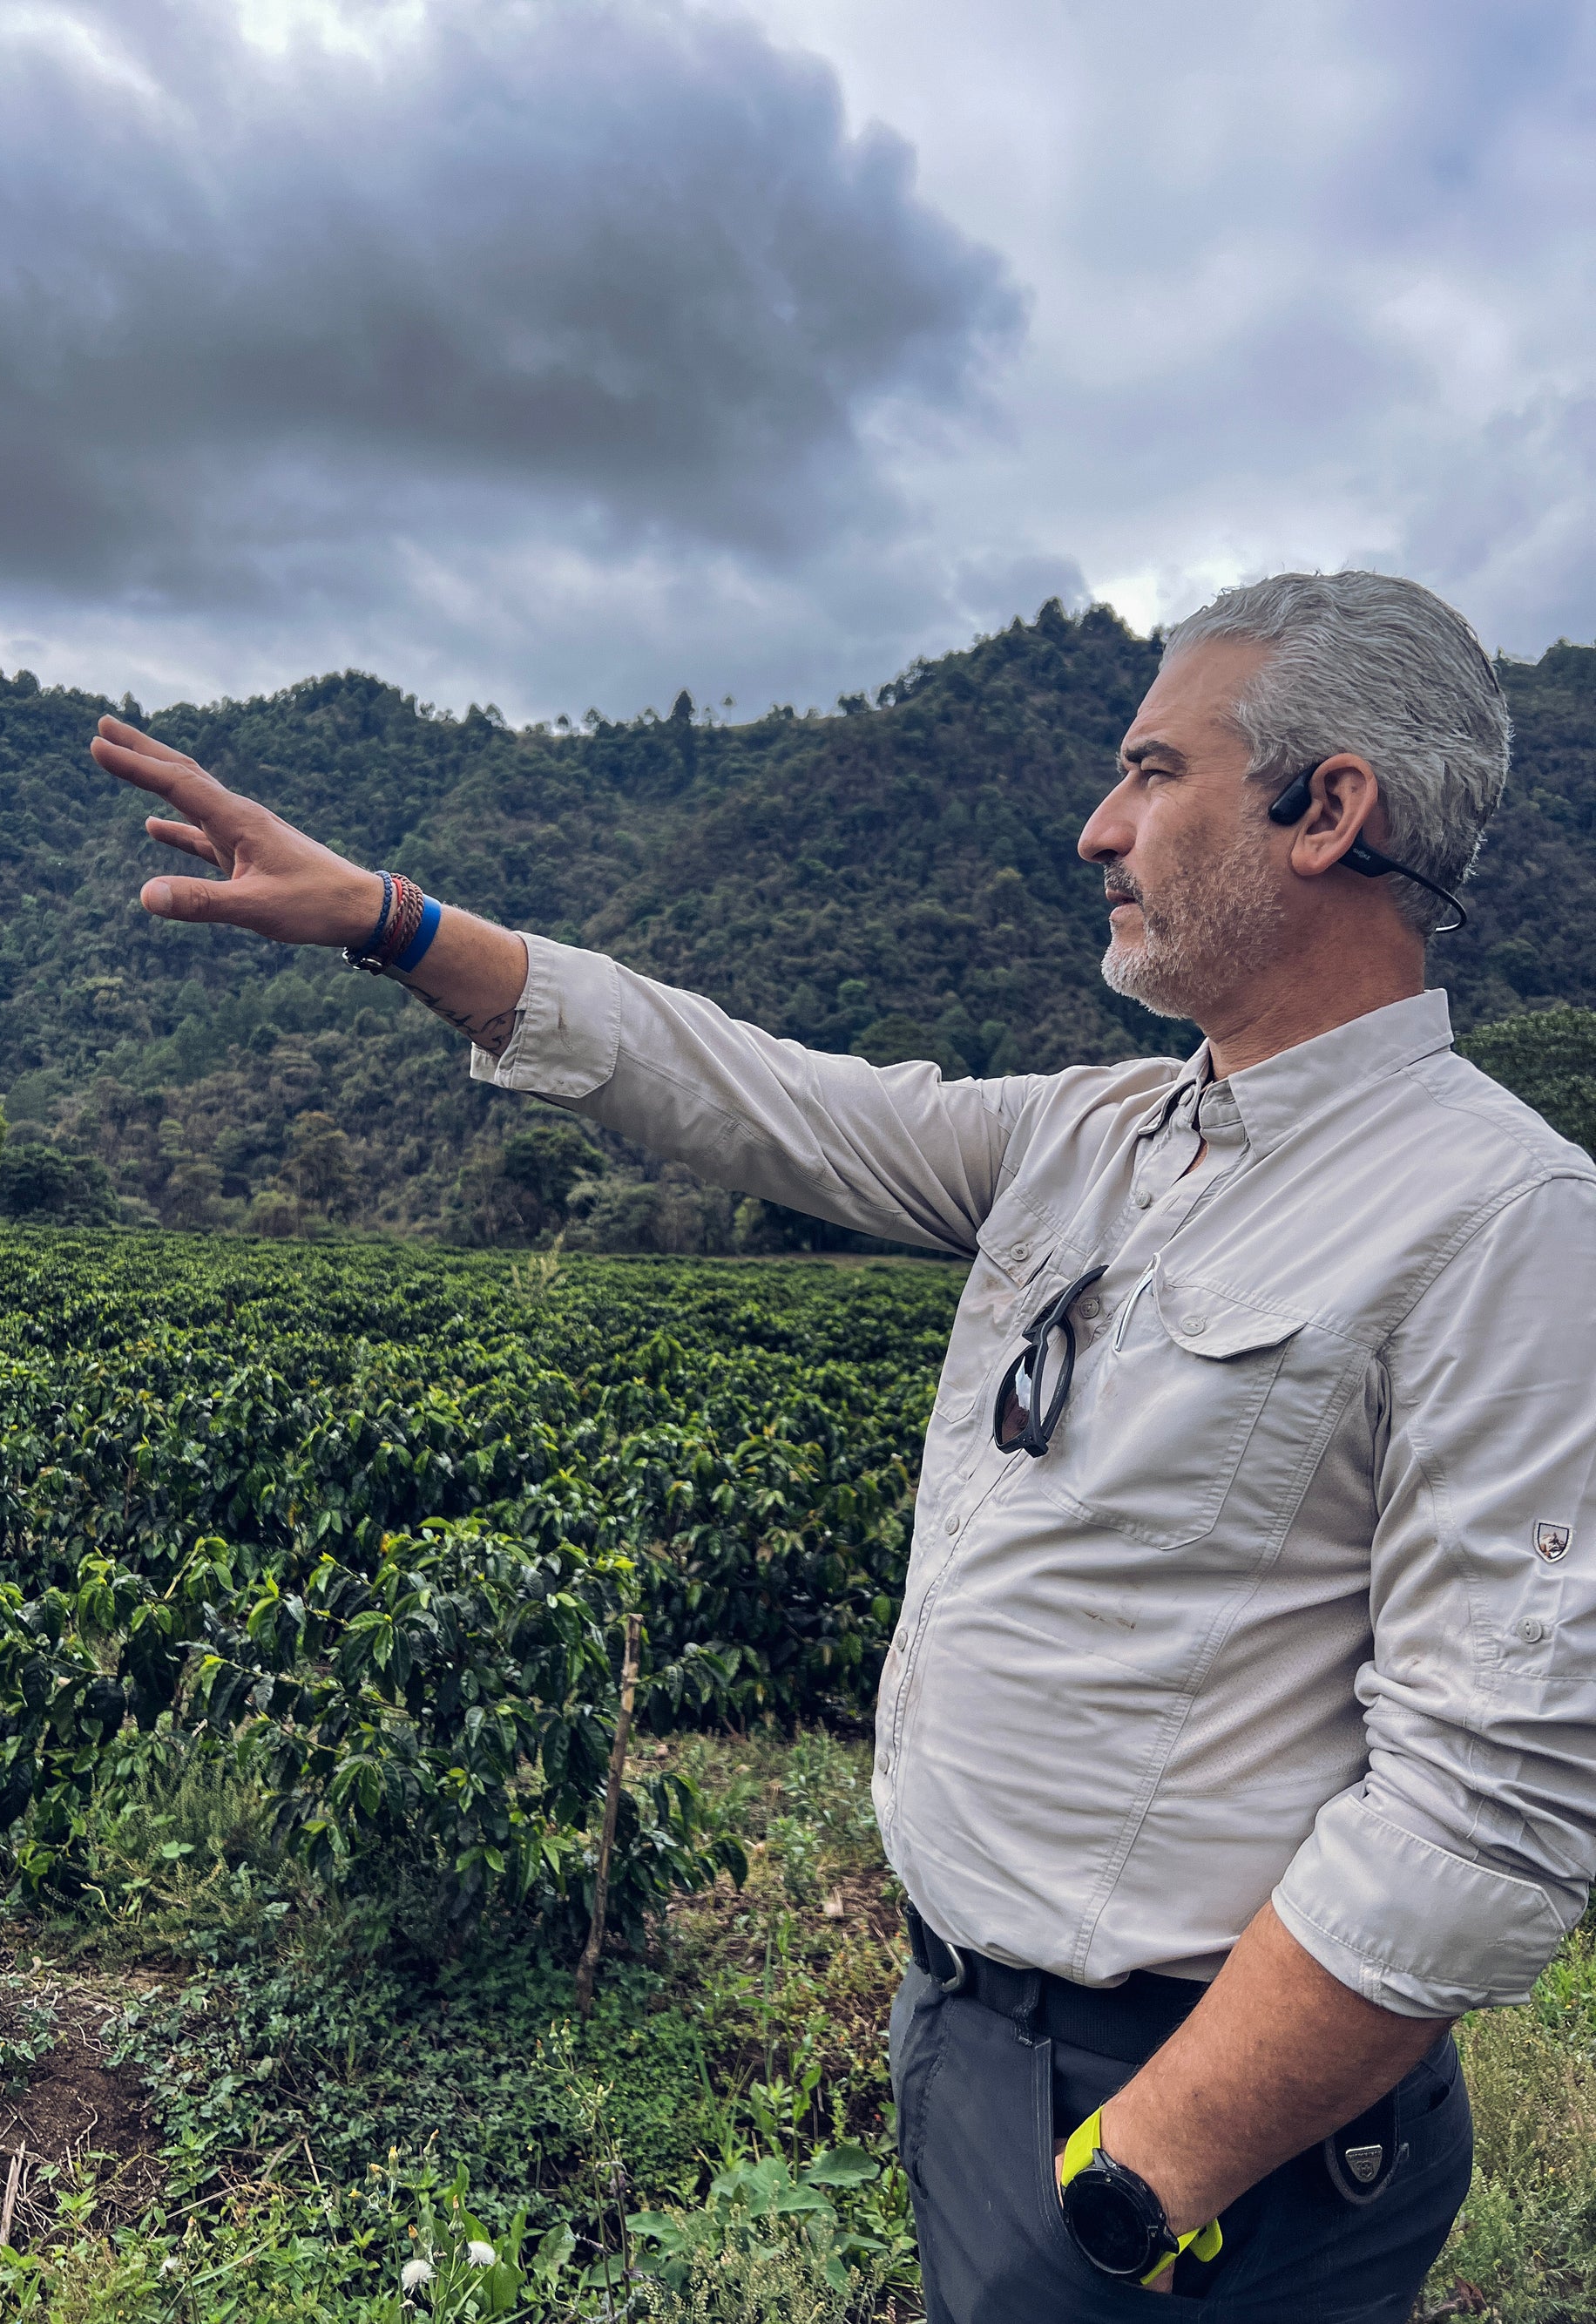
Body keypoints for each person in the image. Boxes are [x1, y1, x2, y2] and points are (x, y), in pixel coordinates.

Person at [91, 570, 1596, 2322]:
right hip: (971, 2028)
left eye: (1150, 771)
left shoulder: (1501, 1215)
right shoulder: (1099, 1129)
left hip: (1183, 2130)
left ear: (1326, 806)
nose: (1097, 829)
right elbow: (762, 1094)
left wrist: (1135, 2179)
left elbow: (1490, 1796)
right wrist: (395, 921)